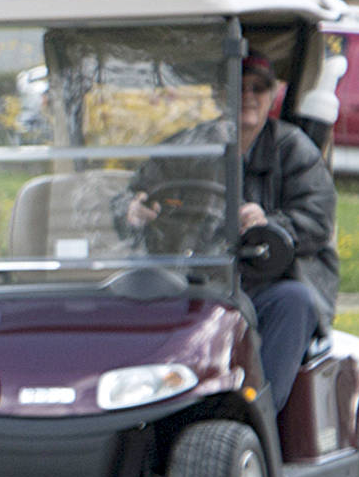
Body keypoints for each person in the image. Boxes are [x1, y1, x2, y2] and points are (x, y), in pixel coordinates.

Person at [121, 50, 338, 416]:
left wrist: (271, 223)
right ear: (220, 95)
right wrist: (130, 208)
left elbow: (317, 219)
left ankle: (258, 414)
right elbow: (136, 190)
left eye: (258, 87)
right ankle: (142, 411)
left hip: (267, 279)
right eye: (239, 87)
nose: (248, 97)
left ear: (271, 95)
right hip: (194, 275)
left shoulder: (294, 149)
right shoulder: (188, 146)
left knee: (295, 301)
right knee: (132, 292)